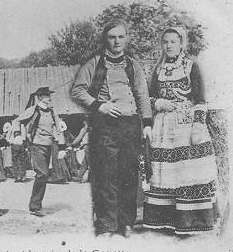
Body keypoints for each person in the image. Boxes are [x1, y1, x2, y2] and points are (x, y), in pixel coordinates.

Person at [70, 19, 153, 238]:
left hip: (130, 126)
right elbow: (78, 91)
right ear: (106, 39)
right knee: (105, 176)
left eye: (121, 37)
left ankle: (126, 223)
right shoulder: (94, 64)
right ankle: (107, 225)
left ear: (126, 39)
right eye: (112, 37)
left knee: (128, 175)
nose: (117, 41)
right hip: (105, 127)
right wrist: (101, 106)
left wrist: (147, 124)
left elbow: (142, 95)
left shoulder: (133, 65)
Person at [142, 27, 219, 235]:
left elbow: (200, 99)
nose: (168, 46)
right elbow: (147, 98)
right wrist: (159, 102)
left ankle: (192, 221)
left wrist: (197, 125)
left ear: (181, 43)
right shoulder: (157, 69)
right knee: (166, 173)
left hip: (187, 125)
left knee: (187, 171)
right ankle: (165, 221)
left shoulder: (191, 66)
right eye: (165, 42)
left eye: (173, 42)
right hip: (163, 127)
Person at [17, 87, 67, 216]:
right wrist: (19, 135)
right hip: (36, 145)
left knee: (44, 176)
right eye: (46, 96)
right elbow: (18, 121)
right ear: (40, 98)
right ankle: (35, 206)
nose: (49, 98)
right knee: (42, 174)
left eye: (49, 95)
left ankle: (36, 205)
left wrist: (62, 147)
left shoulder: (51, 111)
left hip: (49, 145)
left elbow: (58, 128)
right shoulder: (33, 110)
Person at [10, 117, 29, 182]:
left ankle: (17, 176)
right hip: (21, 144)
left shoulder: (12, 125)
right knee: (21, 160)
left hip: (15, 144)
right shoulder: (22, 125)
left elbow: (9, 135)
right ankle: (22, 176)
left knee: (15, 161)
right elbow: (25, 135)